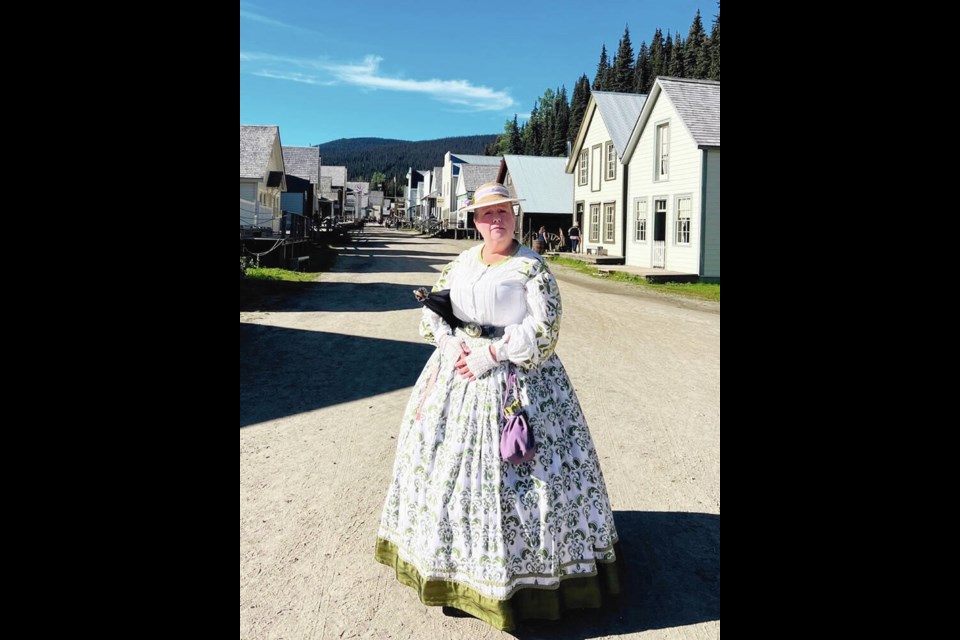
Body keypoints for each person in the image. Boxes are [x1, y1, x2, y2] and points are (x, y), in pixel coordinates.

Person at [375, 182, 622, 631]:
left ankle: (532, 578)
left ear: (515, 215)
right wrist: (450, 343)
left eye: (502, 212)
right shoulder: (462, 262)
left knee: (525, 474)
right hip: (458, 371)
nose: (495, 221)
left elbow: (545, 330)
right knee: (445, 468)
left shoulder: (532, 268)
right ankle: (452, 568)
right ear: (475, 221)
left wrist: (493, 354)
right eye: (486, 215)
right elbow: (435, 308)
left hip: (515, 377)